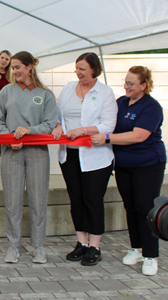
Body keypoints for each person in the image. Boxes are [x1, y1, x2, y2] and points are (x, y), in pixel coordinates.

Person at [91, 66, 165, 275]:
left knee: (145, 208)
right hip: (124, 164)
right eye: (125, 82)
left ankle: (151, 255)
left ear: (144, 85)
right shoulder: (121, 103)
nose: (126, 86)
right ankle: (137, 248)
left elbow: (138, 136)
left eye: (131, 83)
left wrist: (107, 138)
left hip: (148, 164)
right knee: (130, 207)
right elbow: (106, 123)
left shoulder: (151, 107)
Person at [0, 51, 58, 264]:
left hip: (38, 153)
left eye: (18, 67)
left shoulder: (46, 95)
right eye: (13, 67)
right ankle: (13, 246)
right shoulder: (5, 92)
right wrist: (9, 138)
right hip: (11, 152)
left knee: (39, 200)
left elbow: (50, 124)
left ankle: (39, 247)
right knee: (12, 201)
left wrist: (30, 130)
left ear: (30, 67)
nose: (15, 71)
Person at [52, 52, 117, 266]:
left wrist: (83, 130)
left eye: (82, 69)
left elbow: (108, 126)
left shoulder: (105, 92)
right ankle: (81, 243)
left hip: (95, 157)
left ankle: (94, 246)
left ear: (94, 69)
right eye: (76, 68)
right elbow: (58, 115)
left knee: (93, 200)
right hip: (69, 154)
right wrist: (59, 125)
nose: (78, 72)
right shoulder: (69, 87)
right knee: (76, 199)